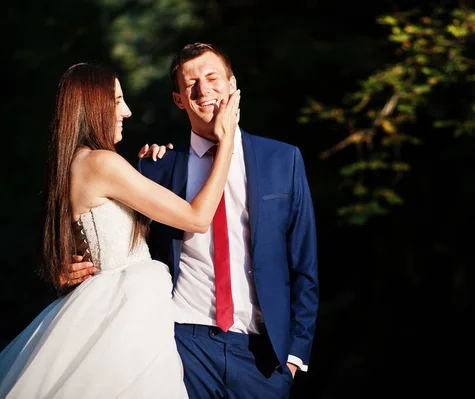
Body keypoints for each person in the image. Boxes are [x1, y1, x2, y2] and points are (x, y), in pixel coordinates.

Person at [66, 42, 319, 398]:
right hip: (181, 343)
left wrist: (294, 356)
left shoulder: (283, 159)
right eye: (191, 84)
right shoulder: (156, 166)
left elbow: (304, 263)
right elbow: (106, 232)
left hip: (263, 357)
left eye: (213, 77)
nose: (204, 89)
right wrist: (67, 264)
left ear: (233, 86)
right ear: (178, 100)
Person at [0, 62, 240, 398]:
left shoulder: (74, 165)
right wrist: (226, 143)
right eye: (116, 101)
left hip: (107, 309)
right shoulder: (101, 163)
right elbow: (197, 219)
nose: (126, 111)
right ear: (92, 105)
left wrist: (157, 166)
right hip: (125, 316)